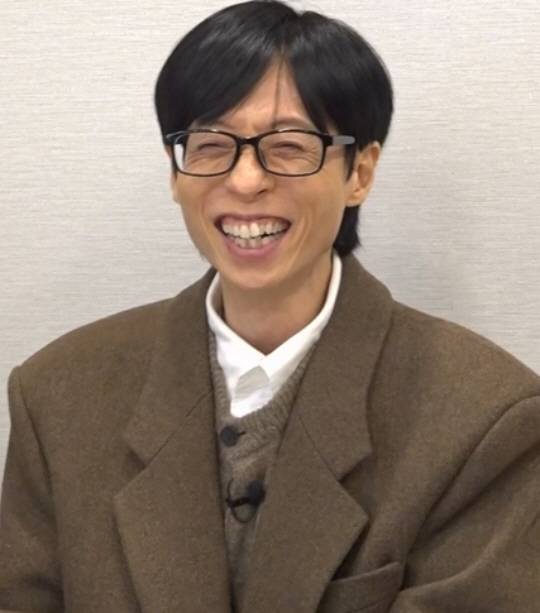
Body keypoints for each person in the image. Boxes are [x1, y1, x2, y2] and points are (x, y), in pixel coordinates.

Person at [1, 0, 539, 611]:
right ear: (175, 172)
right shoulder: (58, 395)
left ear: (360, 172)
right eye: (211, 144)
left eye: (288, 145)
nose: (246, 180)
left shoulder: (486, 419)